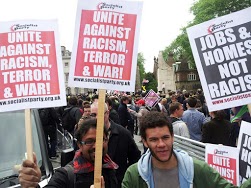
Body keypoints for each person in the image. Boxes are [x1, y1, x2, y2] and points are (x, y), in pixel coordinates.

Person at [122, 111, 251, 188]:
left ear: (173, 137)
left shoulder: (198, 170)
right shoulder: (134, 175)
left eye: (165, 137)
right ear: (144, 142)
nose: (161, 144)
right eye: (154, 139)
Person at [18, 118, 118, 188]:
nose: (97, 146)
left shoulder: (111, 168)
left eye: (101, 140)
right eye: (89, 141)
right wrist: (31, 185)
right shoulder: (65, 176)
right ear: (79, 145)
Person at [91, 102, 141, 188]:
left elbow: (135, 157)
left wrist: (125, 174)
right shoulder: (88, 135)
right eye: (93, 115)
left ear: (107, 113)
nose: (96, 118)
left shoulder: (123, 133)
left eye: (99, 114)